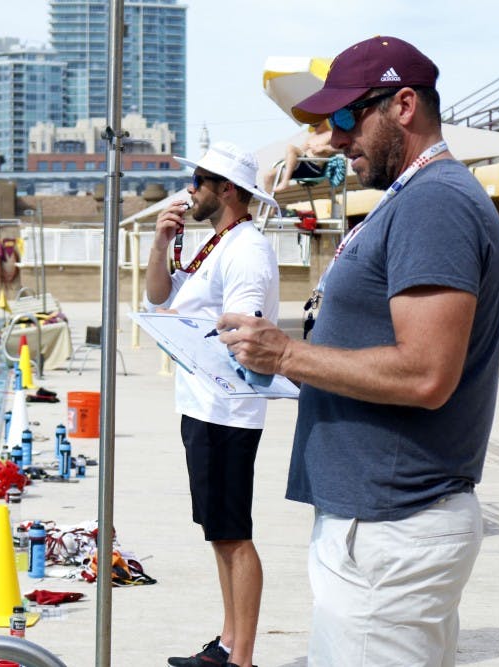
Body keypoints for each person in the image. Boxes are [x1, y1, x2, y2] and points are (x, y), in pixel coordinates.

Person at [217, 36, 499, 666]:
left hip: (393, 526)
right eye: (326, 124)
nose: (335, 138)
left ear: (404, 105)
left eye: (347, 117)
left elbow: (427, 373)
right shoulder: (411, 201)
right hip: (379, 523)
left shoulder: (435, 205)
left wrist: (287, 356)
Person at [146, 141, 280, 667]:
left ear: (227, 189)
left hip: (228, 411)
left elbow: (245, 330)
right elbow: (161, 296)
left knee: (234, 533)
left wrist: (192, 333)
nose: (190, 190)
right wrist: (160, 244)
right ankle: (227, 642)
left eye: (199, 180)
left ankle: (241, 658)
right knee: (218, 532)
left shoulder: (246, 249)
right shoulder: (217, 244)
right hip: (201, 407)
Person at [261, 119, 337, 193]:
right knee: (268, 176)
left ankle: (285, 182)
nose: (313, 125)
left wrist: (325, 148)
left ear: (323, 120)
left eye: (315, 123)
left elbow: (342, 149)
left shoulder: (331, 134)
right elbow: (300, 150)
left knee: (290, 147)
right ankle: (271, 205)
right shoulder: (311, 136)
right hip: (301, 166)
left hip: (313, 168)